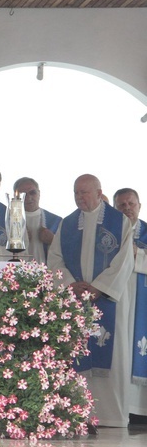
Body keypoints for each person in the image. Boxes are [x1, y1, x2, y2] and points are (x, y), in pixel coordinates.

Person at [48, 174, 135, 427]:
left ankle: (110, 417)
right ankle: (78, 412)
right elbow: (55, 259)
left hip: (108, 301)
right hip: (75, 301)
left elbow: (124, 261)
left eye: (84, 192)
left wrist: (99, 288)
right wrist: (69, 285)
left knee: (110, 351)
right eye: (76, 193)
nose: (79, 197)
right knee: (75, 353)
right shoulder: (67, 224)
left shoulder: (120, 223)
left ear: (99, 193)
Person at [112, 188, 147, 423]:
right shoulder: (110, 233)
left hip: (142, 300)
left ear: (139, 206)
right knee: (119, 351)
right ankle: (120, 407)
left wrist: (137, 254)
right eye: (121, 205)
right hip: (117, 300)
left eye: (130, 204)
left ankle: (140, 411)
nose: (126, 209)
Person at [13, 177, 61, 263]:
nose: (28, 197)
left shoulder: (56, 221)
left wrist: (53, 240)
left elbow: (68, 249)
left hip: (47, 271)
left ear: (39, 193)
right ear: (15, 196)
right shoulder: (9, 221)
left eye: (32, 193)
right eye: (23, 194)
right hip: (17, 271)